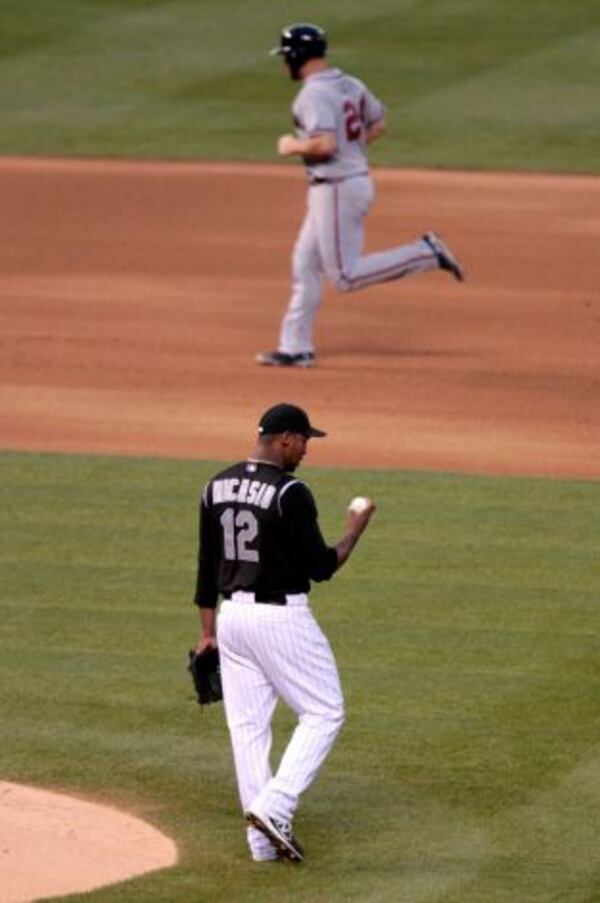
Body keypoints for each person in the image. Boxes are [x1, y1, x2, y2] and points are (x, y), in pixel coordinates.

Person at [193, 402, 376, 862]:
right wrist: (355, 530)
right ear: (285, 439)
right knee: (324, 712)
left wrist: (207, 634)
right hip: (280, 618)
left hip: (232, 618)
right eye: (304, 441)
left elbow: (205, 567)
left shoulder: (215, 485)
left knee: (248, 728)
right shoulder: (289, 492)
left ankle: (261, 842)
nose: (306, 451)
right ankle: (276, 806)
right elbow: (320, 567)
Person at [256, 23, 465, 369]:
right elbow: (378, 124)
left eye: (285, 57)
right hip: (347, 183)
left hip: (337, 188)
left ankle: (426, 253)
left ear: (297, 57)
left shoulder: (311, 95)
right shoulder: (350, 83)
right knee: (305, 261)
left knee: (345, 277)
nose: (284, 65)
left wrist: (290, 145)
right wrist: (353, 154)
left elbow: (325, 144)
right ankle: (295, 347)